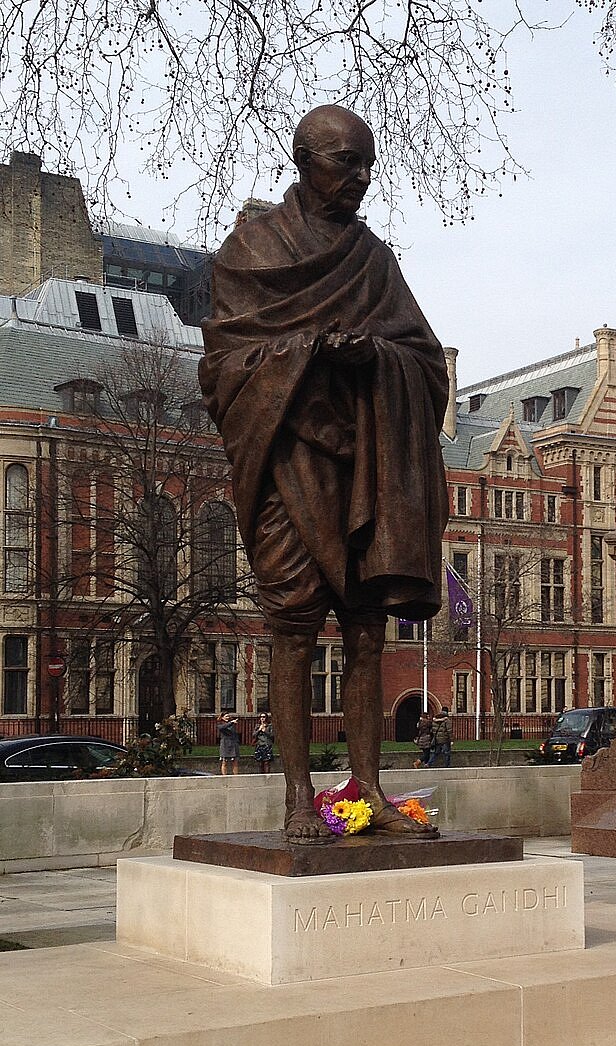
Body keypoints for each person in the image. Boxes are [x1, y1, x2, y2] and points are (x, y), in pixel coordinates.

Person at [200, 105, 448, 841]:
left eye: (369, 164)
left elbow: (424, 359)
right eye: (347, 163)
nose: (361, 180)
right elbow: (220, 369)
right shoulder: (249, 250)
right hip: (289, 460)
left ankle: (367, 790)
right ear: (304, 161)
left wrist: (374, 357)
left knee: (368, 629)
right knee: (295, 626)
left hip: (364, 465)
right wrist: (308, 349)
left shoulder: (373, 258)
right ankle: (295, 799)